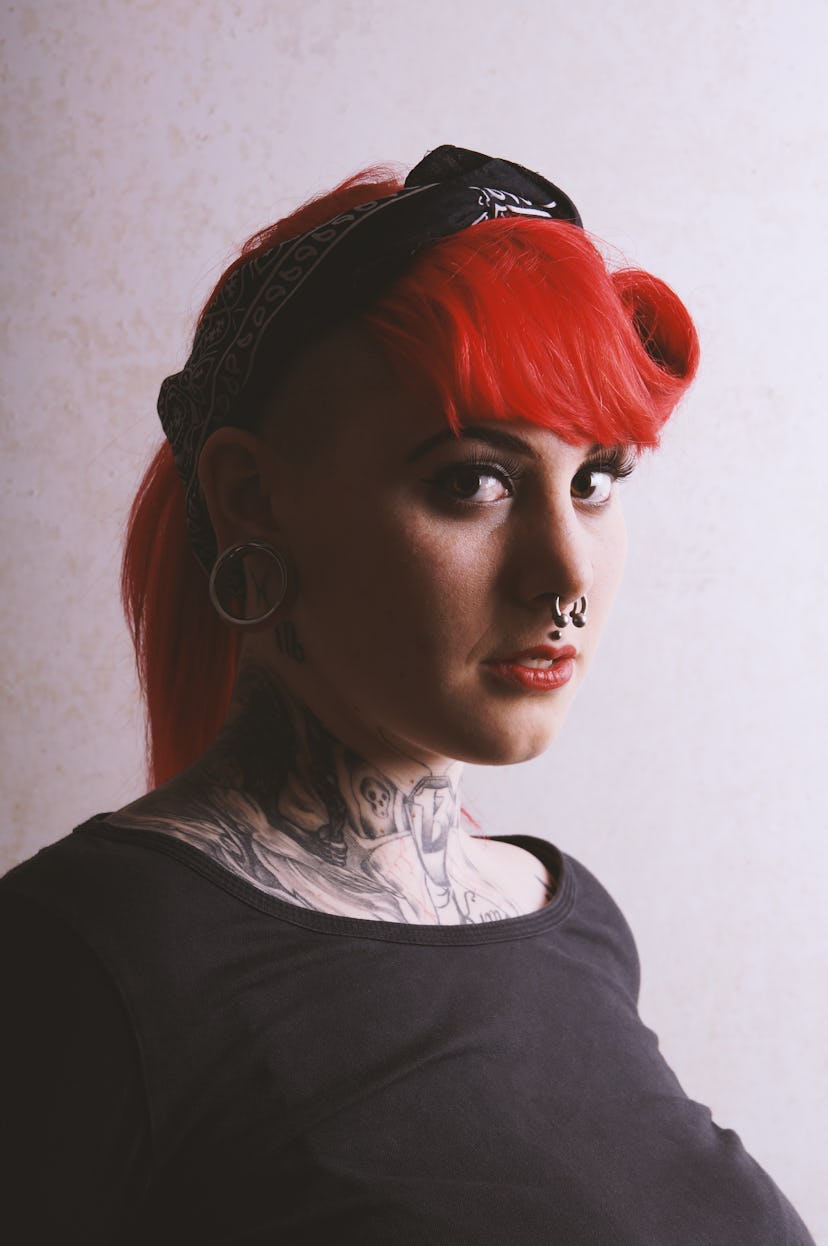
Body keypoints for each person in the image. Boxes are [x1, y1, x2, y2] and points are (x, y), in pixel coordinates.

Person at [0, 145, 815, 1244]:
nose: (567, 574)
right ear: (252, 498)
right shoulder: (84, 962)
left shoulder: (569, 922)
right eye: (474, 479)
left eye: (596, 479)